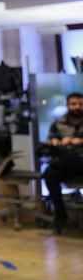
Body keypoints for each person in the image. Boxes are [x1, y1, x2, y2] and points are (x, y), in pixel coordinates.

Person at [42, 92, 83, 233]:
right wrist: (59, 142)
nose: (77, 107)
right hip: (66, 163)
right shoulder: (58, 124)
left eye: (80, 104)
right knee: (49, 173)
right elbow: (50, 142)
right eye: (74, 104)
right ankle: (60, 214)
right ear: (68, 105)